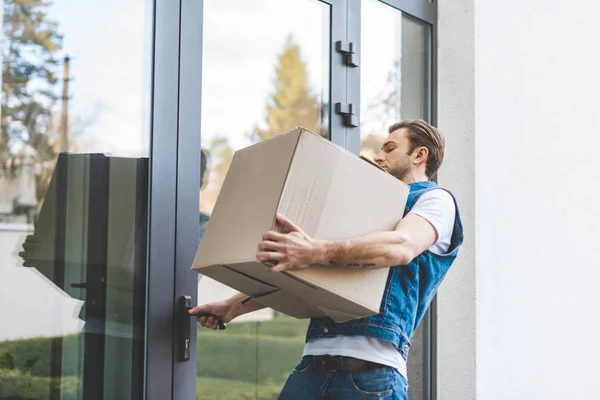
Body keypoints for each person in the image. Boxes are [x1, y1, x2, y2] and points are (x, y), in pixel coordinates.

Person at [188, 120, 464, 400]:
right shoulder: (366, 209)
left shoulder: (436, 200)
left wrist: (314, 251)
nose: (379, 156)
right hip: (311, 368)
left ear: (419, 155)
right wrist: (230, 307)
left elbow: (401, 246)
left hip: (371, 376)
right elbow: (307, 276)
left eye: (390, 148)